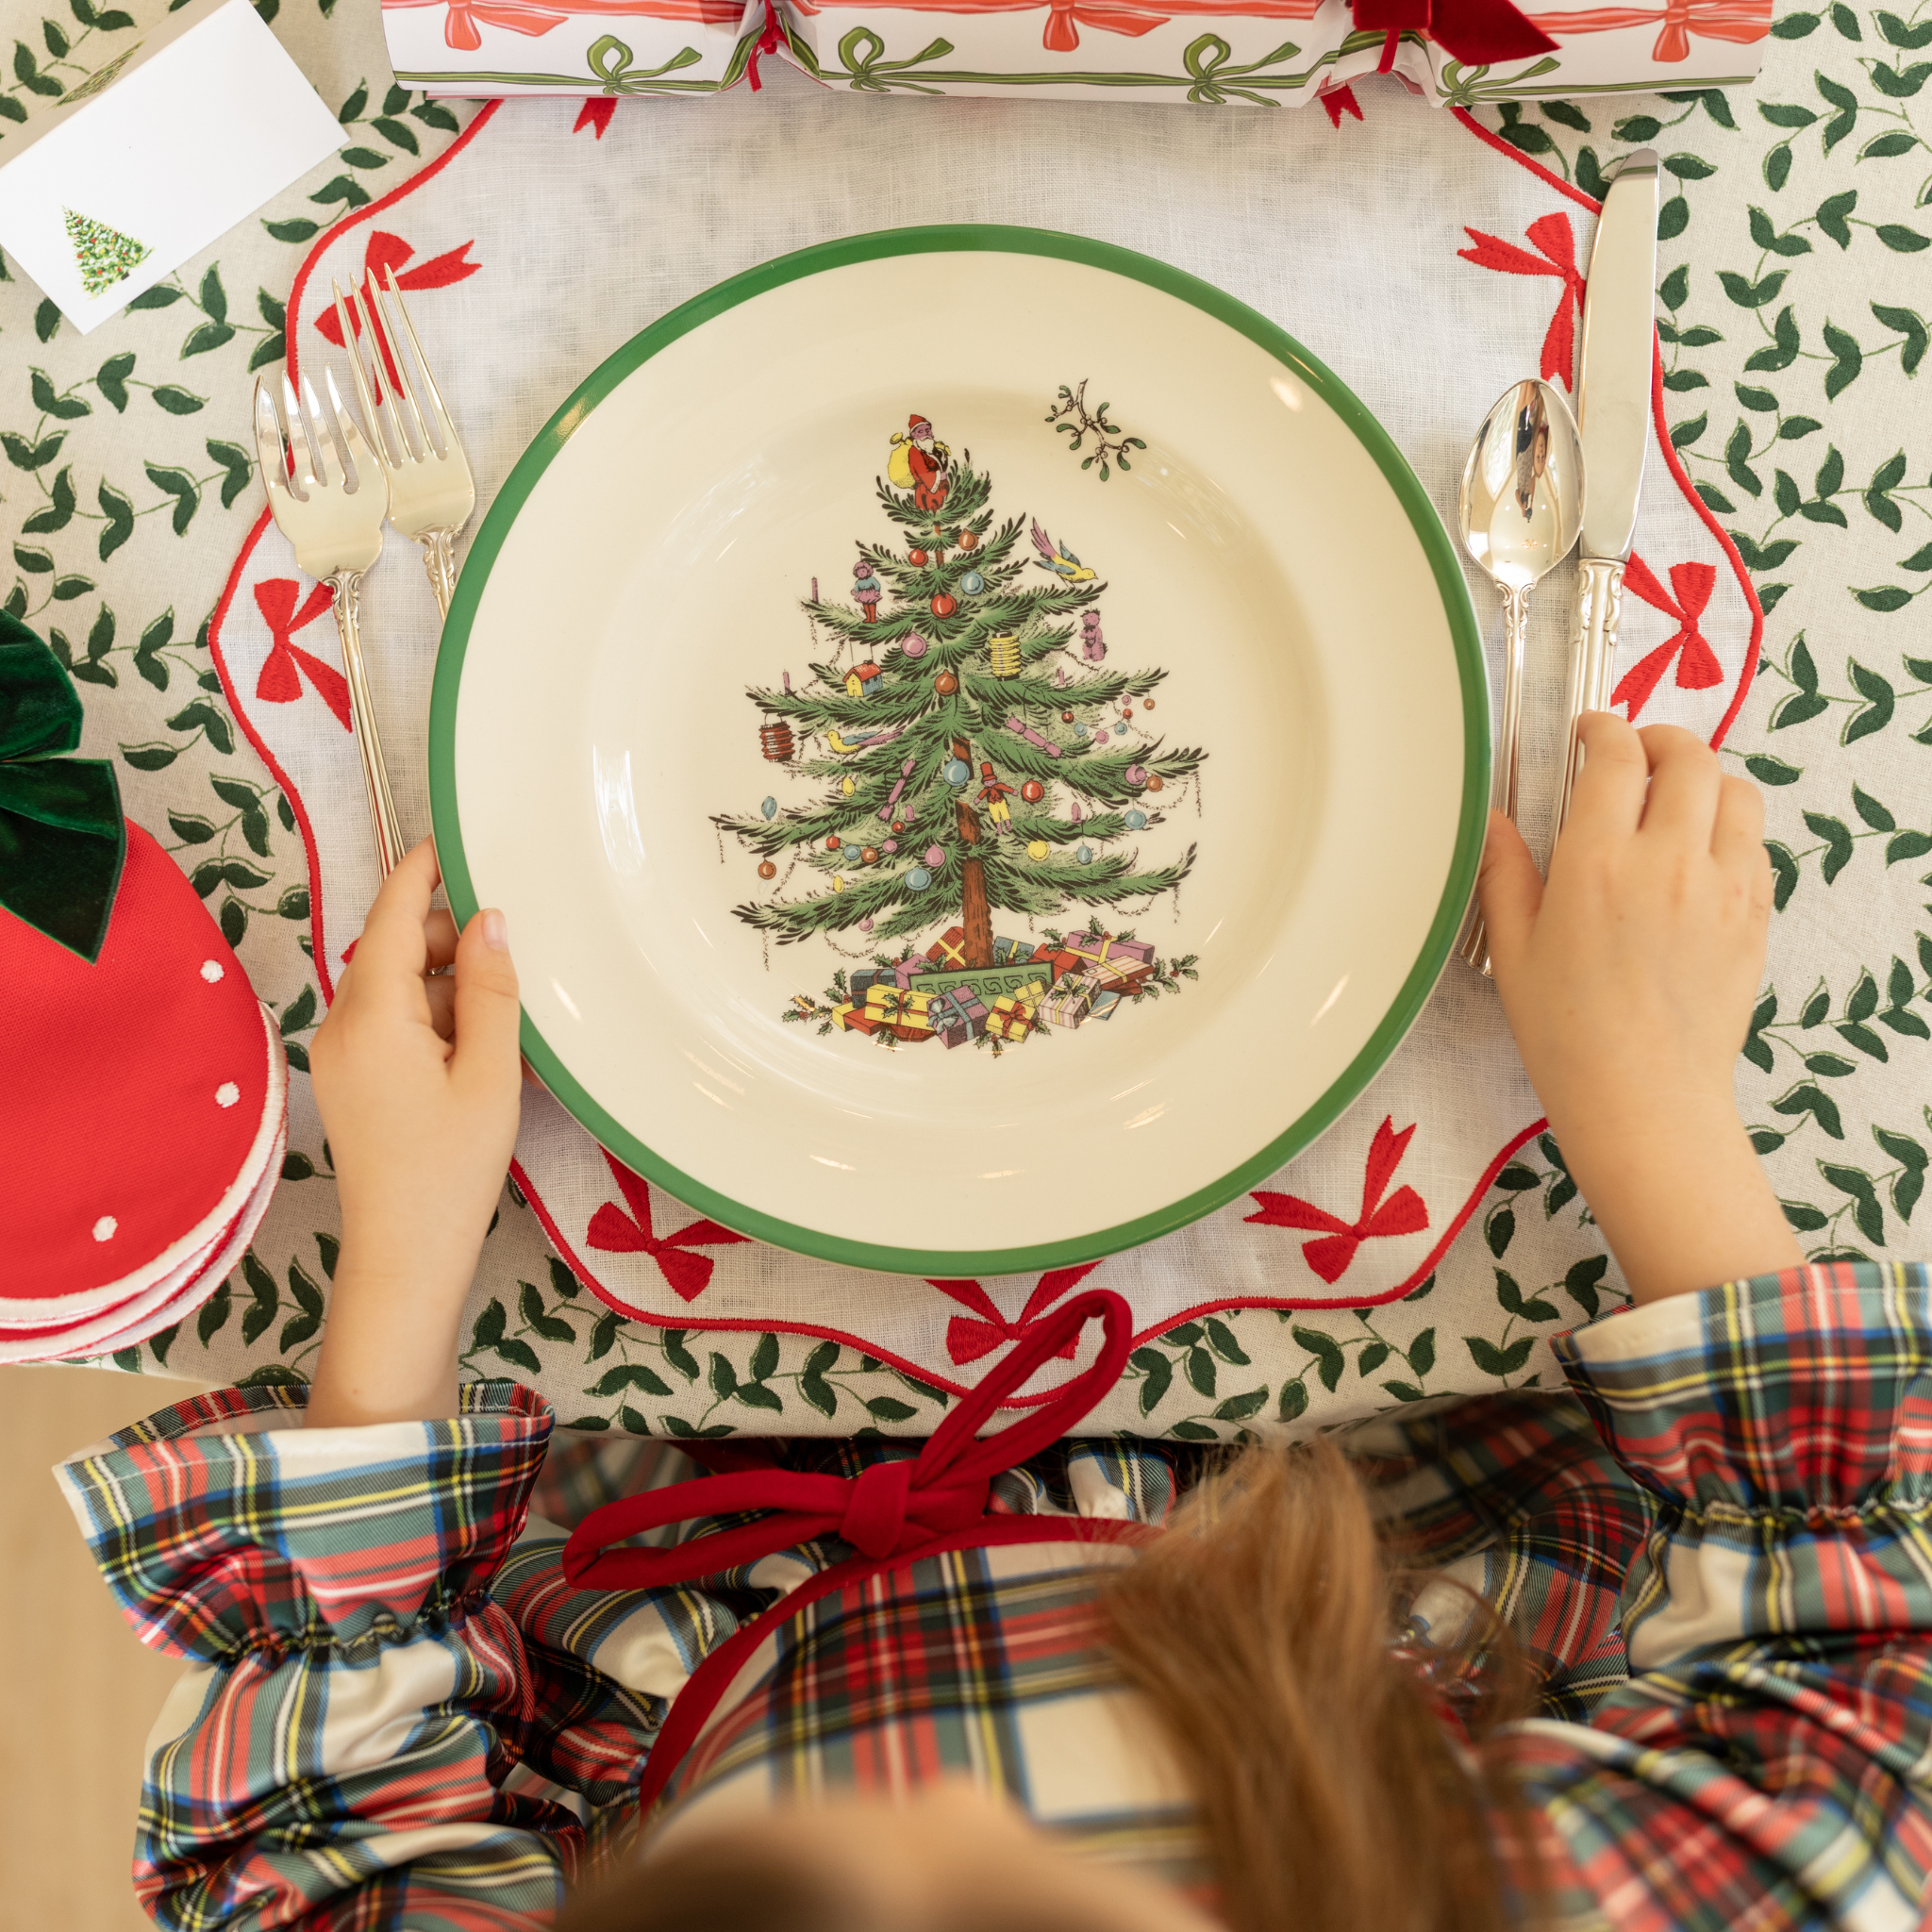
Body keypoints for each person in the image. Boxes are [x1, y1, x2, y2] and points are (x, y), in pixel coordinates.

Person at [56, 714, 1931, 1932]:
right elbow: (1865, 1708)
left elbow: (317, 1830)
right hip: (1361, 1456)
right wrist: (1653, 1099)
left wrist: (399, 1243)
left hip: (696, 1481)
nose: (918, 1820)